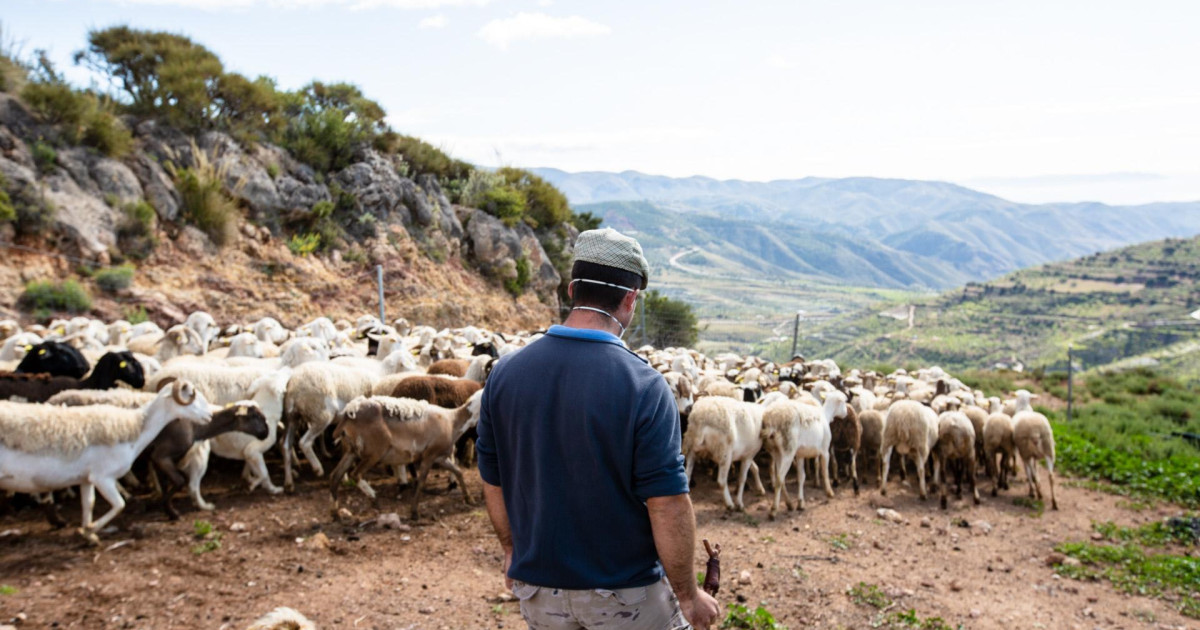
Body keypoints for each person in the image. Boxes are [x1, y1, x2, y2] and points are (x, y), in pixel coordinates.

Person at [476, 228, 721, 630]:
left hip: (539, 592)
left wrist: (511, 550)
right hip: (625, 595)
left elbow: (492, 478)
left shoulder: (504, 375)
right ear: (630, 299)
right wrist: (688, 595)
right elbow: (667, 503)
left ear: (572, 289)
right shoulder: (645, 386)